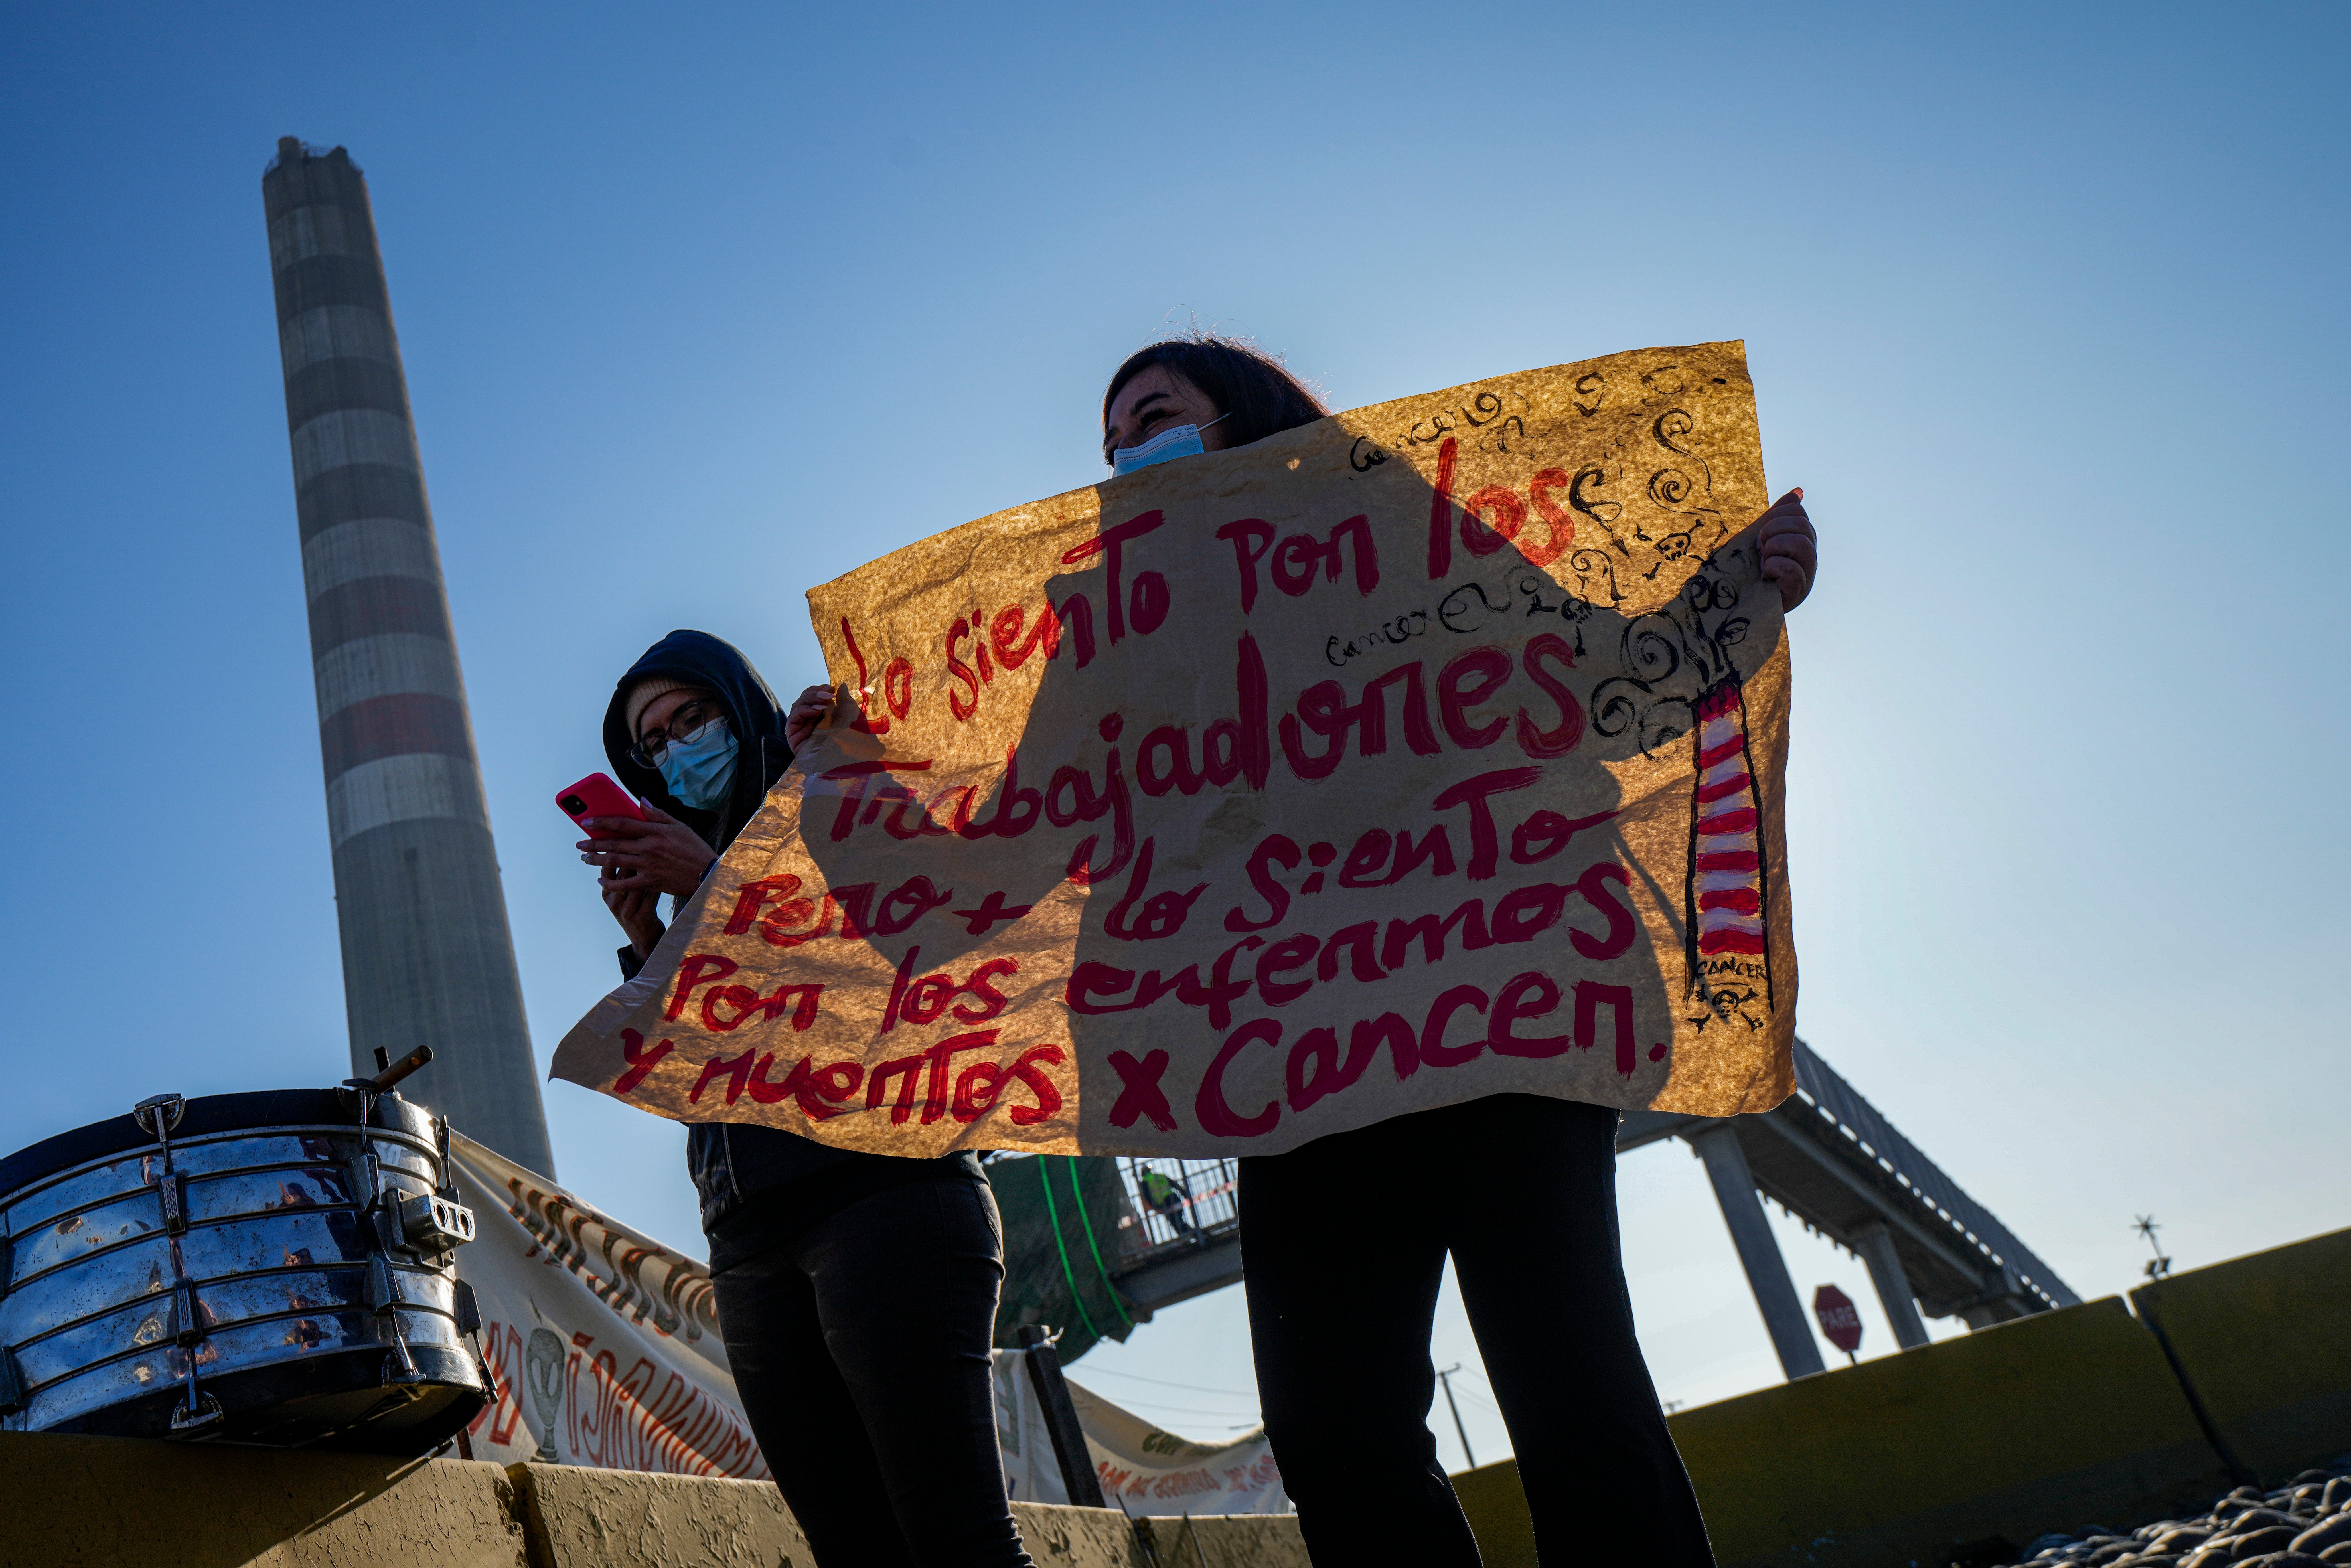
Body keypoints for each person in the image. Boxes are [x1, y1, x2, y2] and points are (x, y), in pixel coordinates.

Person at [1100, 335, 1819, 1567]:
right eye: (1111, 447)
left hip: (1498, 1019)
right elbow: (1037, 815)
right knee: (1337, 1438)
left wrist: (1737, 589)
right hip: (1300, 1066)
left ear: (1245, 416)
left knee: (1574, 1395)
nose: (1128, 456)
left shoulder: (1399, 527)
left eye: (1153, 417)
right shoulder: (1116, 633)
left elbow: (1596, 674)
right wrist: (863, 762)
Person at [577, 629, 1034, 1568]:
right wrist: (652, 941)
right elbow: (708, 1061)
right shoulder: (698, 856)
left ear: (738, 705)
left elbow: (894, 970)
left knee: (958, 1542)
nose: (675, 750)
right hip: (748, 1240)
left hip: (885, 1198)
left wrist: (711, 886)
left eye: (690, 718)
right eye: (652, 743)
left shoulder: (834, 799)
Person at [1135, 1165, 1196, 1240]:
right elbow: (1175, 1184)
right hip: (1175, 1199)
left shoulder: (1144, 1183)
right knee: (1179, 1222)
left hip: (1165, 1204)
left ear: (1142, 1174)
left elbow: (1147, 1197)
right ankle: (1194, 1235)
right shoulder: (1160, 1176)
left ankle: (1192, 1236)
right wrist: (1185, 1195)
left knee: (1176, 1224)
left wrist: (1155, 1208)